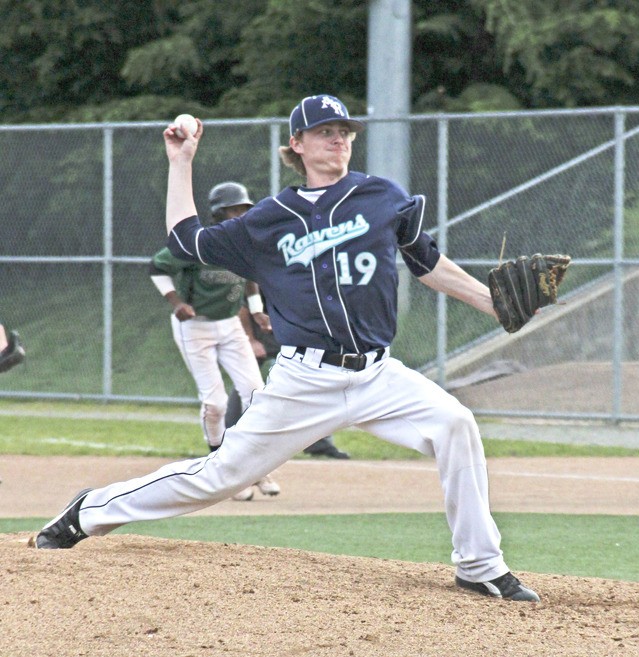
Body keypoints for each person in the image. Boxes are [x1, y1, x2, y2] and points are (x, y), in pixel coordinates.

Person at [36, 94, 540, 602]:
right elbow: (186, 241)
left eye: (344, 130)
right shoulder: (268, 219)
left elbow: (426, 260)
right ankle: (89, 512)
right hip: (305, 381)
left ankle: (479, 565)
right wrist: (180, 162)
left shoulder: (382, 197)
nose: (338, 138)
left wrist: (491, 304)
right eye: (325, 131)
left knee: (455, 423)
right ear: (296, 144)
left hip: (377, 374)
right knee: (220, 476)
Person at [149, 181, 280, 501]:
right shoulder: (200, 243)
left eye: (245, 209)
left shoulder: (245, 243)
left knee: (256, 394)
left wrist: (258, 311)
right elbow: (157, 267)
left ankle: (255, 467)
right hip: (195, 327)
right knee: (215, 403)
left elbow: (251, 280)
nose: (241, 214)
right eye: (235, 209)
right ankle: (219, 470)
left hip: (231, 325)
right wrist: (176, 302)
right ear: (219, 213)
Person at [227, 298, 350, 459]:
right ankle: (228, 439)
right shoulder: (271, 273)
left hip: (294, 335)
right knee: (245, 383)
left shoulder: (308, 276)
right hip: (261, 333)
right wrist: (250, 340)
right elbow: (243, 307)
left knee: (313, 383)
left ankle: (319, 444)